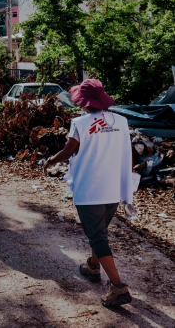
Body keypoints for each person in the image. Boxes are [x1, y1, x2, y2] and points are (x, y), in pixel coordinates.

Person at [43, 79, 133, 307]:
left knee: (97, 236)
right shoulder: (121, 121)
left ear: (83, 103)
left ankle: (118, 287)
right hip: (114, 187)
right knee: (100, 231)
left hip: (90, 188)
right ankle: (93, 267)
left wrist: (50, 161)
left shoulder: (80, 123)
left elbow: (67, 151)